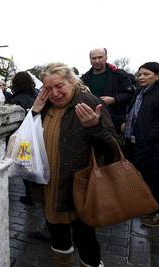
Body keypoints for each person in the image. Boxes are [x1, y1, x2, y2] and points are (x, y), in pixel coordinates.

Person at [32, 63, 116, 267]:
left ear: (72, 81)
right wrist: (34, 112)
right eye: (48, 88)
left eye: (59, 86)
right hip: (50, 187)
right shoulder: (44, 106)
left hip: (80, 188)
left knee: (85, 239)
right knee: (58, 236)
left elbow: (114, 149)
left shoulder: (89, 102)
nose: (54, 93)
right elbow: (28, 139)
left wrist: (95, 128)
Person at [123, 62, 159, 227]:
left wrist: (149, 138)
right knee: (140, 176)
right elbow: (134, 112)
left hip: (151, 146)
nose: (141, 77)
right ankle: (145, 207)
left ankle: (154, 214)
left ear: (157, 76)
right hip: (135, 141)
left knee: (153, 178)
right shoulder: (140, 92)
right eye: (139, 74)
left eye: (146, 74)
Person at [81, 48, 133, 133]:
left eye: (100, 57)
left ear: (106, 58)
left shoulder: (119, 75)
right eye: (94, 58)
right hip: (90, 123)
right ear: (90, 60)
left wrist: (114, 99)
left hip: (114, 122)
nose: (97, 61)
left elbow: (130, 95)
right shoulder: (84, 78)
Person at [6, 71, 39, 205]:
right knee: (38, 163)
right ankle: (39, 193)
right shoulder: (37, 95)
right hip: (37, 135)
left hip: (22, 139)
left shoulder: (14, 100)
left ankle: (30, 195)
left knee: (26, 165)